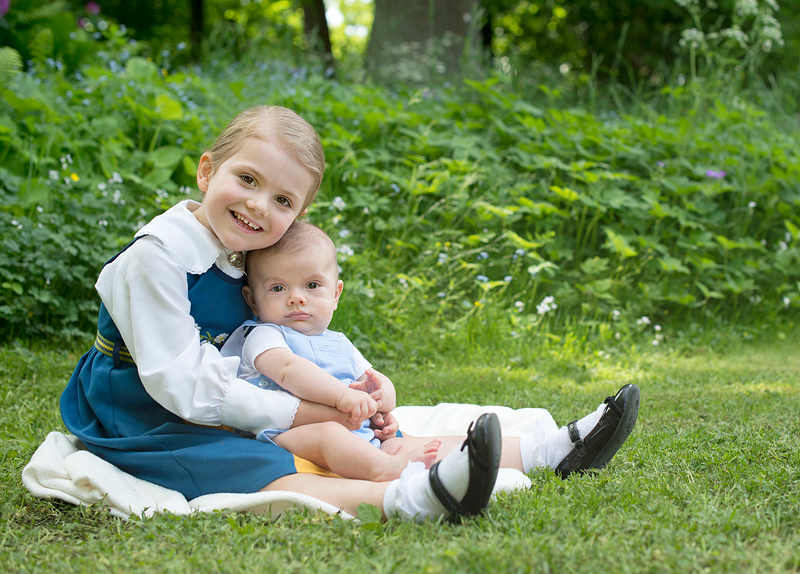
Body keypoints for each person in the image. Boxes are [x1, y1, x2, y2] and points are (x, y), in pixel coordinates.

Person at [59, 105, 640, 523]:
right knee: (265, 461)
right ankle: (410, 499)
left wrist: (332, 402)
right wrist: (306, 407)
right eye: (247, 180)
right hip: (143, 403)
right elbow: (180, 385)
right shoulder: (157, 257)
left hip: (230, 390)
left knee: (382, 430)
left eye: (283, 200)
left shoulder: (247, 244)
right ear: (207, 171)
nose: (259, 206)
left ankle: (554, 449)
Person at [222, 221, 441, 482]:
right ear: (253, 300)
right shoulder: (263, 336)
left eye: (312, 285)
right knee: (328, 435)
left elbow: (373, 379)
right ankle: (381, 469)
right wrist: (342, 397)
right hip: (289, 435)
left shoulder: (339, 343)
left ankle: (428, 467)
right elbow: (288, 370)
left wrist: (378, 400)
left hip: (355, 433)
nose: (296, 298)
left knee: (396, 442)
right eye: (278, 288)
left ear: (335, 295)